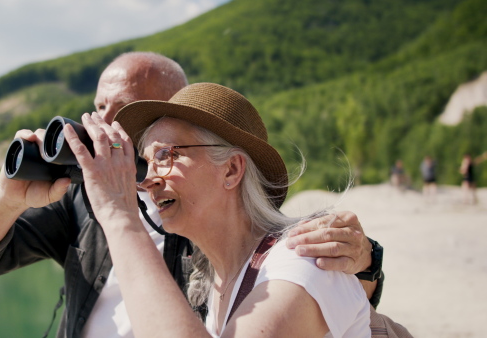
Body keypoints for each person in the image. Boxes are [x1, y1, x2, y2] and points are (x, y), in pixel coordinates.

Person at [0, 52, 386, 337]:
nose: (109, 131)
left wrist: (366, 261)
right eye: (100, 112)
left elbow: (295, 265)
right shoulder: (81, 203)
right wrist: (9, 196)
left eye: (165, 150)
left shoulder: (246, 240)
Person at [63, 82, 369, 336]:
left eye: (166, 155)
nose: (147, 181)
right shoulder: (215, 282)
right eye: (145, 162)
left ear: (232, 170)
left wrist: (119, 215)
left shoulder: (298, 262)